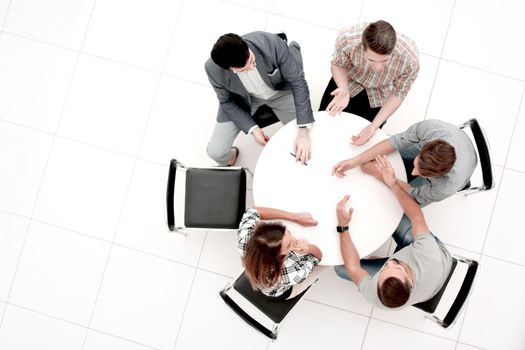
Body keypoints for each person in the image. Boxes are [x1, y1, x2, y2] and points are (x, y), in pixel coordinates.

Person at [332, 119, 477, 248]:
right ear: (424, 148)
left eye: (421, 174)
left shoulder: (446, 186)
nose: (413, 173)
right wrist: (355, 161)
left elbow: (413, 197)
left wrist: (381, 175)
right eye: (416, 165)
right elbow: (395, 142)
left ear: (436, 176)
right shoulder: (430, 129)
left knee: (396, 205)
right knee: (382, 144)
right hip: (453, 138)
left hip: (465, 166)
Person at [334, 155, 453, 309]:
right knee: (391, 209)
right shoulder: (427, 253)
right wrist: (393, 184)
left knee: (340, 268)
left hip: (429, 263)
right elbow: (416, 216)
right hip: (435, 260)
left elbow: (353, 268)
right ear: (410, 282)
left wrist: (343, 227)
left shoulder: (374, 294)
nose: (389, 261)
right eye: (395, 265)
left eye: (385, 268)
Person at [205, 32, 314, 166]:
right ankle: (231, 157)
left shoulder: (271, 43)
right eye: (243, 69)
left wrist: (303, 132)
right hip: (244, 100)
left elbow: (298, 82)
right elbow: (226, 101)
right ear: (230, 68)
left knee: (308, 139)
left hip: (280, 93)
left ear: (245, 45)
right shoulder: (212, 69)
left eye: (251, 60)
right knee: (216, 152)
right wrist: (253, 129)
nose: (251, 67)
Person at [319, 20, 419, 145]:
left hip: (379, 94)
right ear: (362, 46)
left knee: (362, 140)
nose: (377, 68)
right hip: (347, 81)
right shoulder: (348, 40)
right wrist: (343, 89)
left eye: (384, 61)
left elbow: (399, 93)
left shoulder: (410, 61)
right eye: (371, 60)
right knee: (323, 123)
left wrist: (374, 126)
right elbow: (338, 64)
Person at [237, 207, 324, 299]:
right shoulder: (293, 273)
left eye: (288, 233)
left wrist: (296, 217)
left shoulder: (245, 237)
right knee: (325, 265)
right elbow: (318, 257)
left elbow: (253, 211)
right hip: (279, 292)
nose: (294, 239)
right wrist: (309, 248)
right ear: (276, 257)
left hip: (262, 278)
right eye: (288, 245)